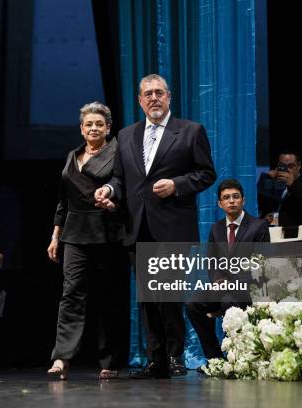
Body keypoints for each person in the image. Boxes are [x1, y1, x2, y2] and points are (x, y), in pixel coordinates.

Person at [95, 74, 216, 379]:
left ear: (169, 97)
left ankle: (175, 356)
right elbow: (121, 179)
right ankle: (155, 359)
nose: (153, 98)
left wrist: (177, 185)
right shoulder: (125, 135)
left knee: (169, 294)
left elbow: (206, 173)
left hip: (173, 226)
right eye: (147, 94)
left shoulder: (190, 131)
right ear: (139, 100)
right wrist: (109, 191)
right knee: (148, 297)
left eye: (159, 93)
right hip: (137, 226)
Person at [47, 101, 128, 380]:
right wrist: (55, 235)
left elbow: (124, 187)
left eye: (99, 124)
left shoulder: (118, 153)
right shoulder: (73, 155)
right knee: (71, 295)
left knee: (108, 297)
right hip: (74, 233)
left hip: (107, 231)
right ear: (81, 129)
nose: (94, 128)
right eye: (88, 124)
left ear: (108, 128)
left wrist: (113, 204)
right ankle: (62, 358)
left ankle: (109, 361)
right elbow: (62, 200)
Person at [187, 179, 269, 361]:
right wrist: (217, 279)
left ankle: (239, 358)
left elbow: (260, 264)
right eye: (226, 198)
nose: (231, 201)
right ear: (220, 203)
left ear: (243, 200)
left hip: (249, 287)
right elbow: (212, 262)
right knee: (193, 304)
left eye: (235, 197)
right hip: (223, 287)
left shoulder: (258, 226)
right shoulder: (216, 228)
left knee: (227, 302)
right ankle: (215, 359)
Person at [256, 150, 302, 228]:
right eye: (283, 166)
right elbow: (257, 204)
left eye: (291, 166)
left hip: (297, 234)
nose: (287, 170)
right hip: (271, 233)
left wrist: (292, 185)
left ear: (299, 166)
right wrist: (266, 178)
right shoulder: (273, 185)